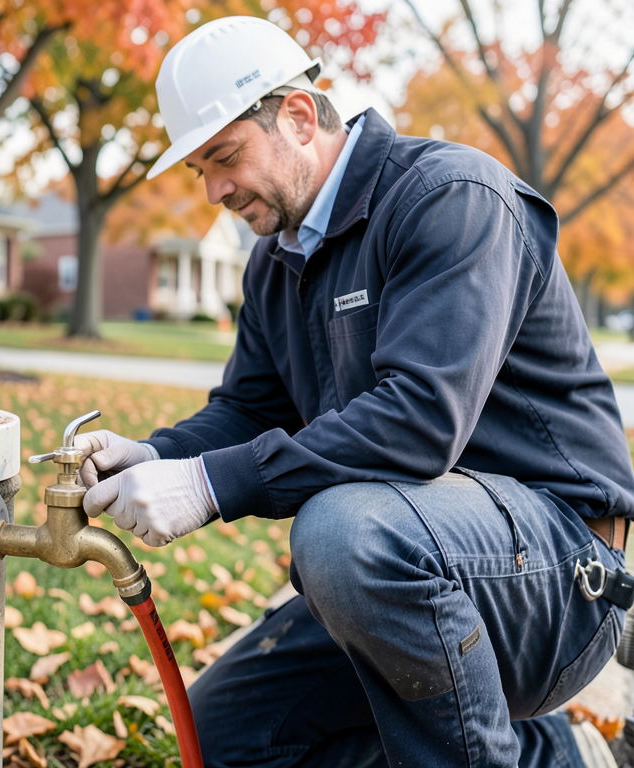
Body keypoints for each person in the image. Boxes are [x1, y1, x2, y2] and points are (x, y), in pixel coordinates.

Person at [76, 15, 634, 768]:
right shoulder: (276, 263)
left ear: (299, 117)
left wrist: (210, 486)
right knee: (226, 738)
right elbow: (249, 408)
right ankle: (556, 758)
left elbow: (418, 424)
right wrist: (155, 454)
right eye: (198, 170)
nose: (213, 191)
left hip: (558, 576)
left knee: (344, 533)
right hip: (411, 566)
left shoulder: (450, 198)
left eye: (224, 157)